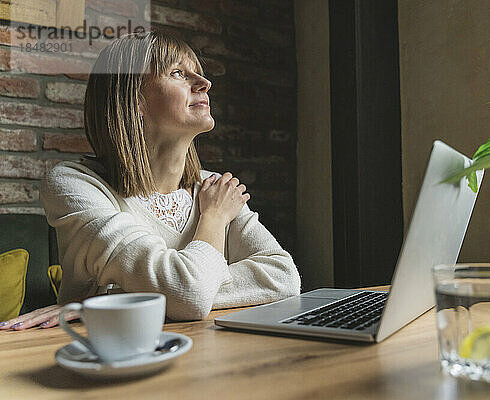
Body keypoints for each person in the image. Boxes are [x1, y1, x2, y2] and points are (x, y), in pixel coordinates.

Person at [0, 31, 301, 331]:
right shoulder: (76, 184)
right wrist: (214, 217)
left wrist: (116, 297)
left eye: (200, 73)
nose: (204, 83)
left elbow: (283, 276)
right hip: (106, 351)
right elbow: (188, 294)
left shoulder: (214, 186)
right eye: (178, 73)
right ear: (134, 99)